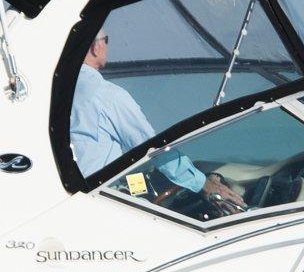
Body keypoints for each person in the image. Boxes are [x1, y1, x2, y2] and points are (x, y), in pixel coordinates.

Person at [67, 30, 217, 204]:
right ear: (96, 46)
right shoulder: (107, 95)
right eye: (106, 40)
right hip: (97, 201)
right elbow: (151, 148)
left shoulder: (54, 92)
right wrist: (203, 183)